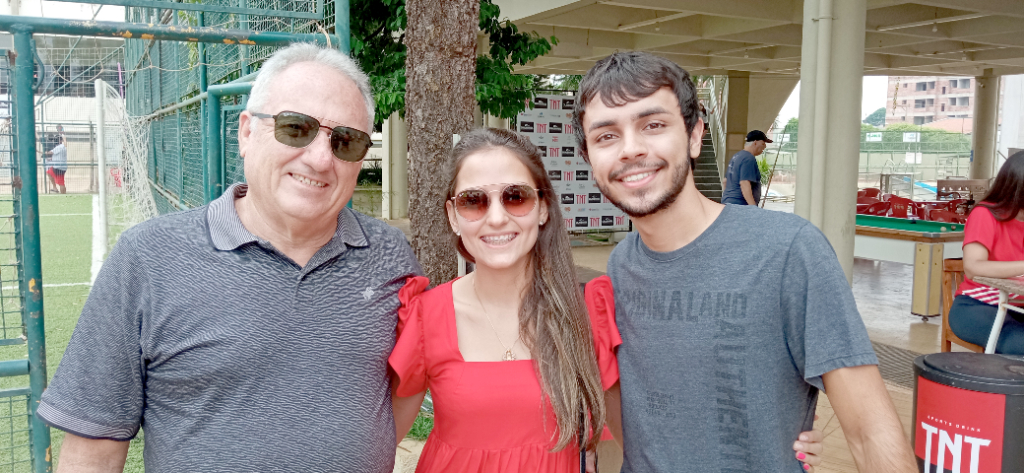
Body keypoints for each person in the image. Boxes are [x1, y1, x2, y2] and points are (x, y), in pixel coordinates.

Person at [36, 43, 420, 472]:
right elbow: (93, 449)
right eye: (296, 128)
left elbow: (394, 401)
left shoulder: (392, 259)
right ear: (246, 132)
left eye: (345, 141)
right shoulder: (147, 258)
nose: (319, 158)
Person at [389, 128, 823, 473]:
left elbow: (644, 428)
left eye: (516, 196)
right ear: (452, 215)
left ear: (543, 209)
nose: (497, 216)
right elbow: (375, 441)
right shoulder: (426, 315)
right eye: (473, 201)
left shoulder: (585, 315)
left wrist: (775, 435)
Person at [572, 51, 917, 472]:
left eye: (653, 125)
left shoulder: (788, 251)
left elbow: (869, 432)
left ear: (695, 135)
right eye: (606, 136)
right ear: (590, 158)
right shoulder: (622, 265)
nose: (631, 149)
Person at [948, 150, 1024, 355]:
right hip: (976, 306)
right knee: (1019, 344)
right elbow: (973, 267)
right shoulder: (985, 214)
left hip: (1015, 305)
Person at [721, 130, 770, 206]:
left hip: (727, 203)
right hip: (740, 205)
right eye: (763, 143)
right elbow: (744, 183)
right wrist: (752, 207)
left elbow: (725, 181)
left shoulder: (736, 156)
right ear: (755, 143)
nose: (765, 146)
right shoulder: (748, 158)